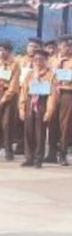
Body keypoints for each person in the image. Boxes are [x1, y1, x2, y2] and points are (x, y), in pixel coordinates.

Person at [18, 48, 55, 168]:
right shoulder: (30, 74)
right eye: (36, 59)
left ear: (46, 60)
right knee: (28, 131)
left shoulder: (50, 75)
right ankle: (29, 157)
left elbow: (52, 95)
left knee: (40, 132)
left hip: (42, 103)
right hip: (30, 102)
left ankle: (38, 158)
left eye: (41, 59)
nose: (38, 62)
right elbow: (24, 91)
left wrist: (49, 111)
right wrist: (22, 108)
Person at [53, 38, 72, 166]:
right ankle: (51, 152)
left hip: (67, 93)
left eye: (66, 46)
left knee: (65, 124)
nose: (63, 49)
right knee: (52, 123)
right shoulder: (54, 60)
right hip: (52, 94)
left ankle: (63, 152)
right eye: (61, 46)